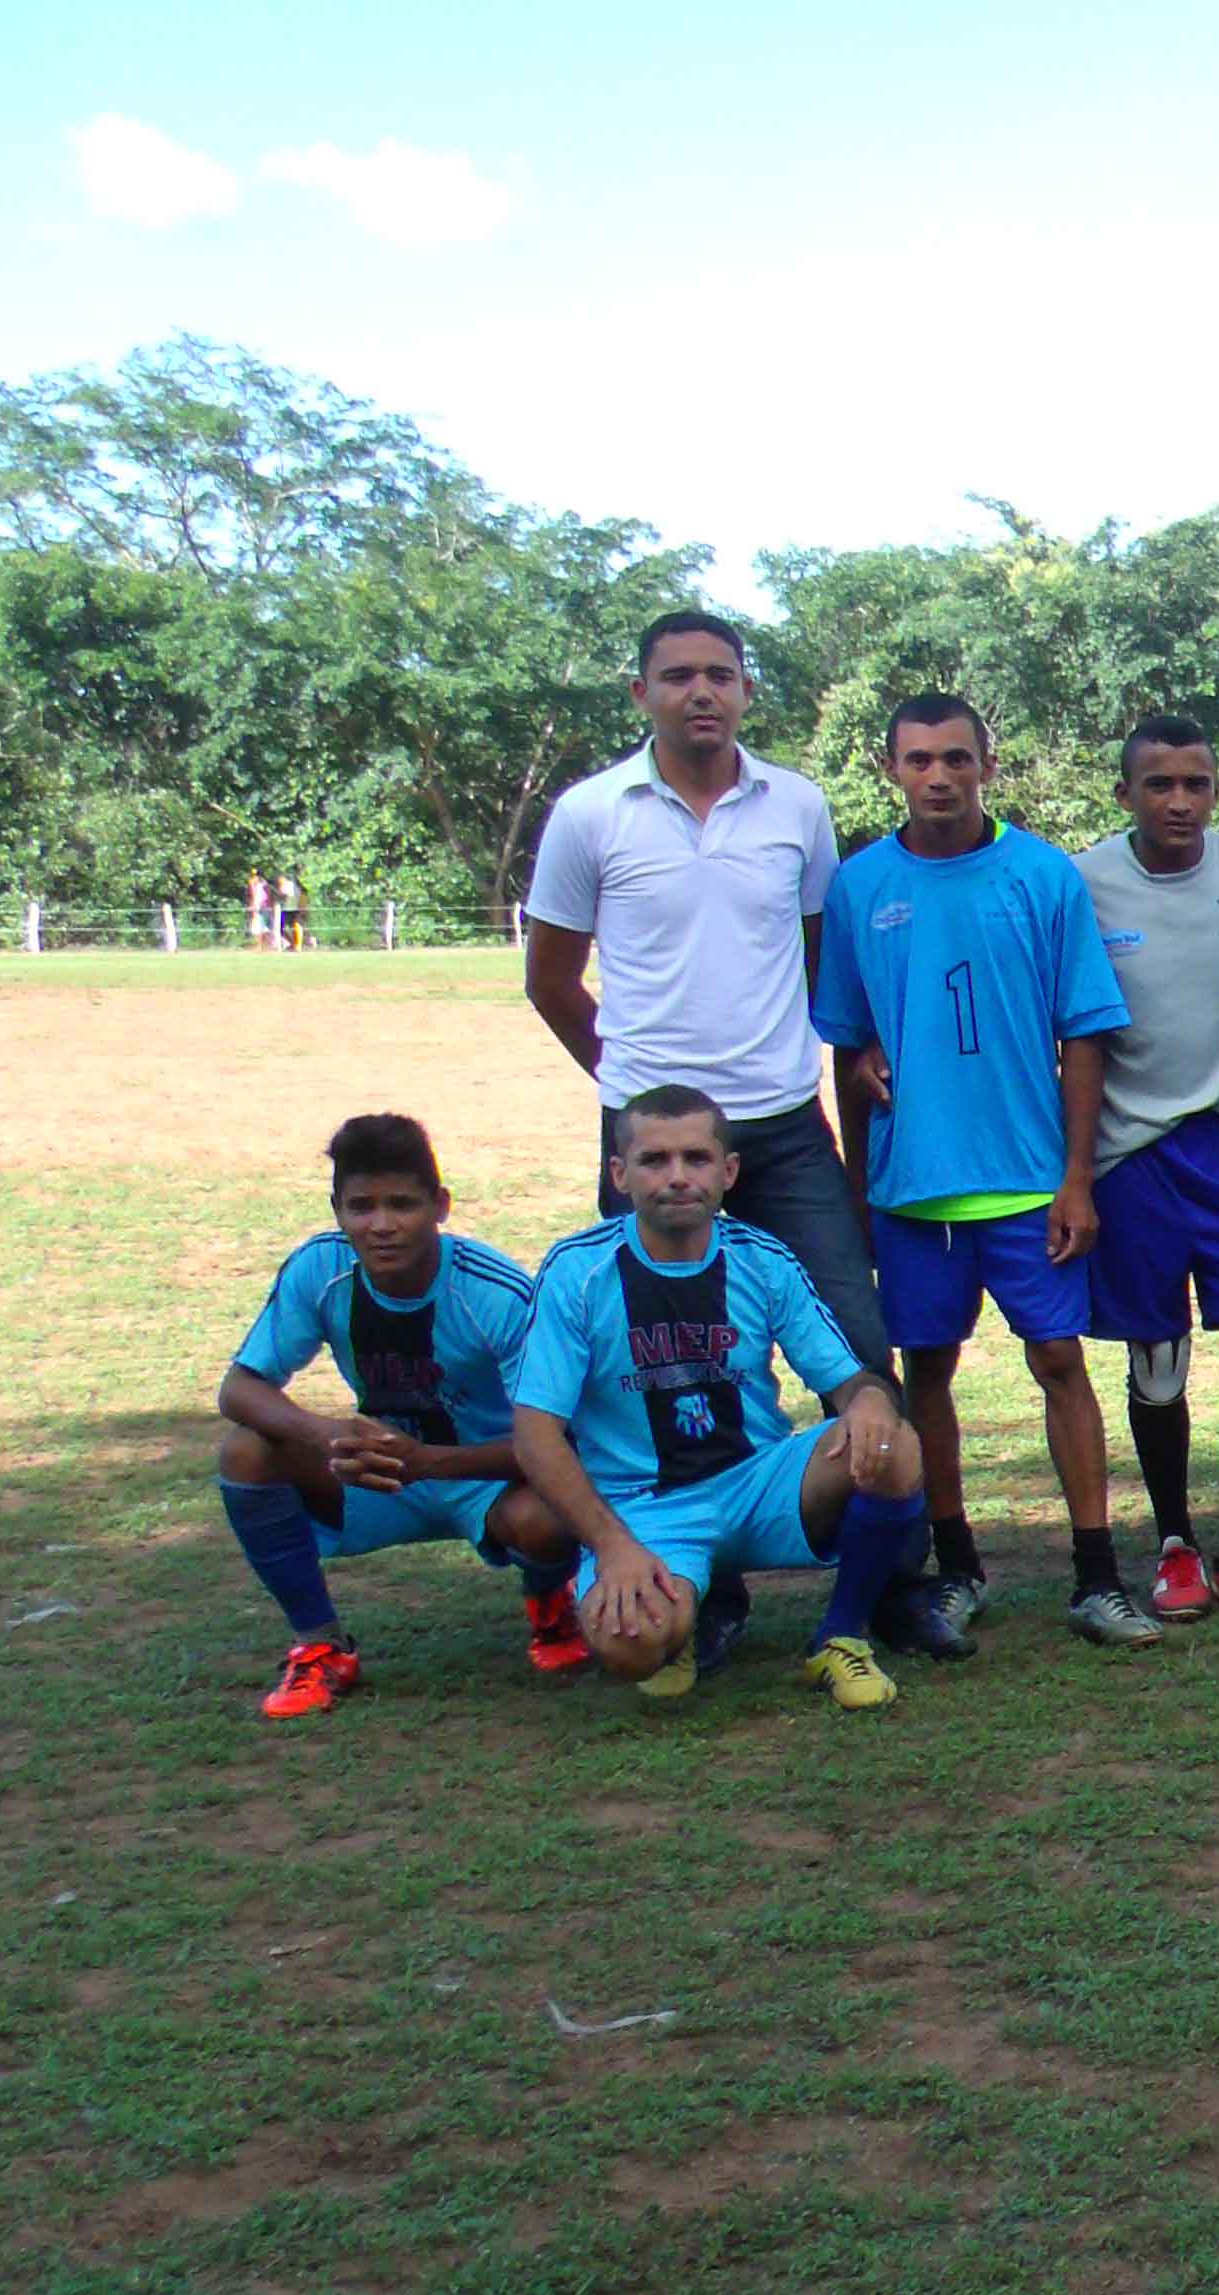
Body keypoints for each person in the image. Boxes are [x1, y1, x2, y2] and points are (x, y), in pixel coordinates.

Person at [809, 695, 1149, 1651]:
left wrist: (1076, 1178)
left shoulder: (1041, 875)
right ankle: (954, 1569)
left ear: (987, 766)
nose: (939, 777)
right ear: (892, 770)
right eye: (918, 761)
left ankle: (1096, 1574)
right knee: (929, 1374)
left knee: (1060, 1363)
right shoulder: (859, 886)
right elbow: (845, 1041)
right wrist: (855, 1189)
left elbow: (1085, 1033)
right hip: (912, 1188)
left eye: (956, 758)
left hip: (1028, 1180)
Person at [522, 611, 880, 1365]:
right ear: (640, 693)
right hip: (655, 1139)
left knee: (858, 1351)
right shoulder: (589, 814)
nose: (700, 693)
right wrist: (640, 1090)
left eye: (719, 676)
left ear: (747, 690)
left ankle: (860, 1487)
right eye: (678, 677)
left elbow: (825, 967)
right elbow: (550, 980)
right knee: (666, 1362)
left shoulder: (798, 805)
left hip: (785, 1127)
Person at [509, 1088, 935, 1709]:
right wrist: (613, 1546)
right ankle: (678, 1610)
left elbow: (849, 1380)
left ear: (728, 1172)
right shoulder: (579, 1271)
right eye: (655, 1160)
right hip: (644, 1508)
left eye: (696, 1158)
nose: (678, 1177)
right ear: (619, 1174)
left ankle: (839, 1636)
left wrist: (868, 1402)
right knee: (629, 1646)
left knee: (893, 1441)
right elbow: (536, 1433)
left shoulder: (762, 1258)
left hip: (757, 1486)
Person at [216, 1113, 586, 1717]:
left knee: (548, 1513)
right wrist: (326, 1433)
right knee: (245, 1450)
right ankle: (319, 1645)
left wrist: (430, 1462)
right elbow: (240, 1388)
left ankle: (550, 1603)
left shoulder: (495, 1292)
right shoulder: (322, 1268)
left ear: (440, 1206)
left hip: (488, 1475)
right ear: (336, 1209)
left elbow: (558, 1437)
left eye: (402, 1205)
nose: (381, 1225)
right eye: (361, 1206)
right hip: (382, 1472)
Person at [1071, 716, 1219, 1623]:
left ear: (1216, 789)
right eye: (1158, 784)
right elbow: (1077, 1032)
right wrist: (1079, 1175)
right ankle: (1174, 1545)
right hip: (1131, 1154)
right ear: (1125, 793)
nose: (1179, 801)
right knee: (1158, 1357)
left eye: (1195, 783)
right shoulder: (1084, 880)